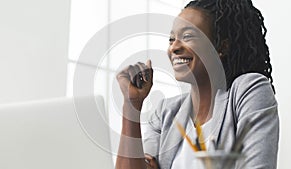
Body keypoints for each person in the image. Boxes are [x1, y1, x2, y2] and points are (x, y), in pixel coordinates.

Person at [115, 0, 279, 168]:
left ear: (221, 47)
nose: (174, 47)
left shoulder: (249, 91)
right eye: (172, 39)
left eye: (187, 36)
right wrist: (131, 105)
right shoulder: (165, 113)